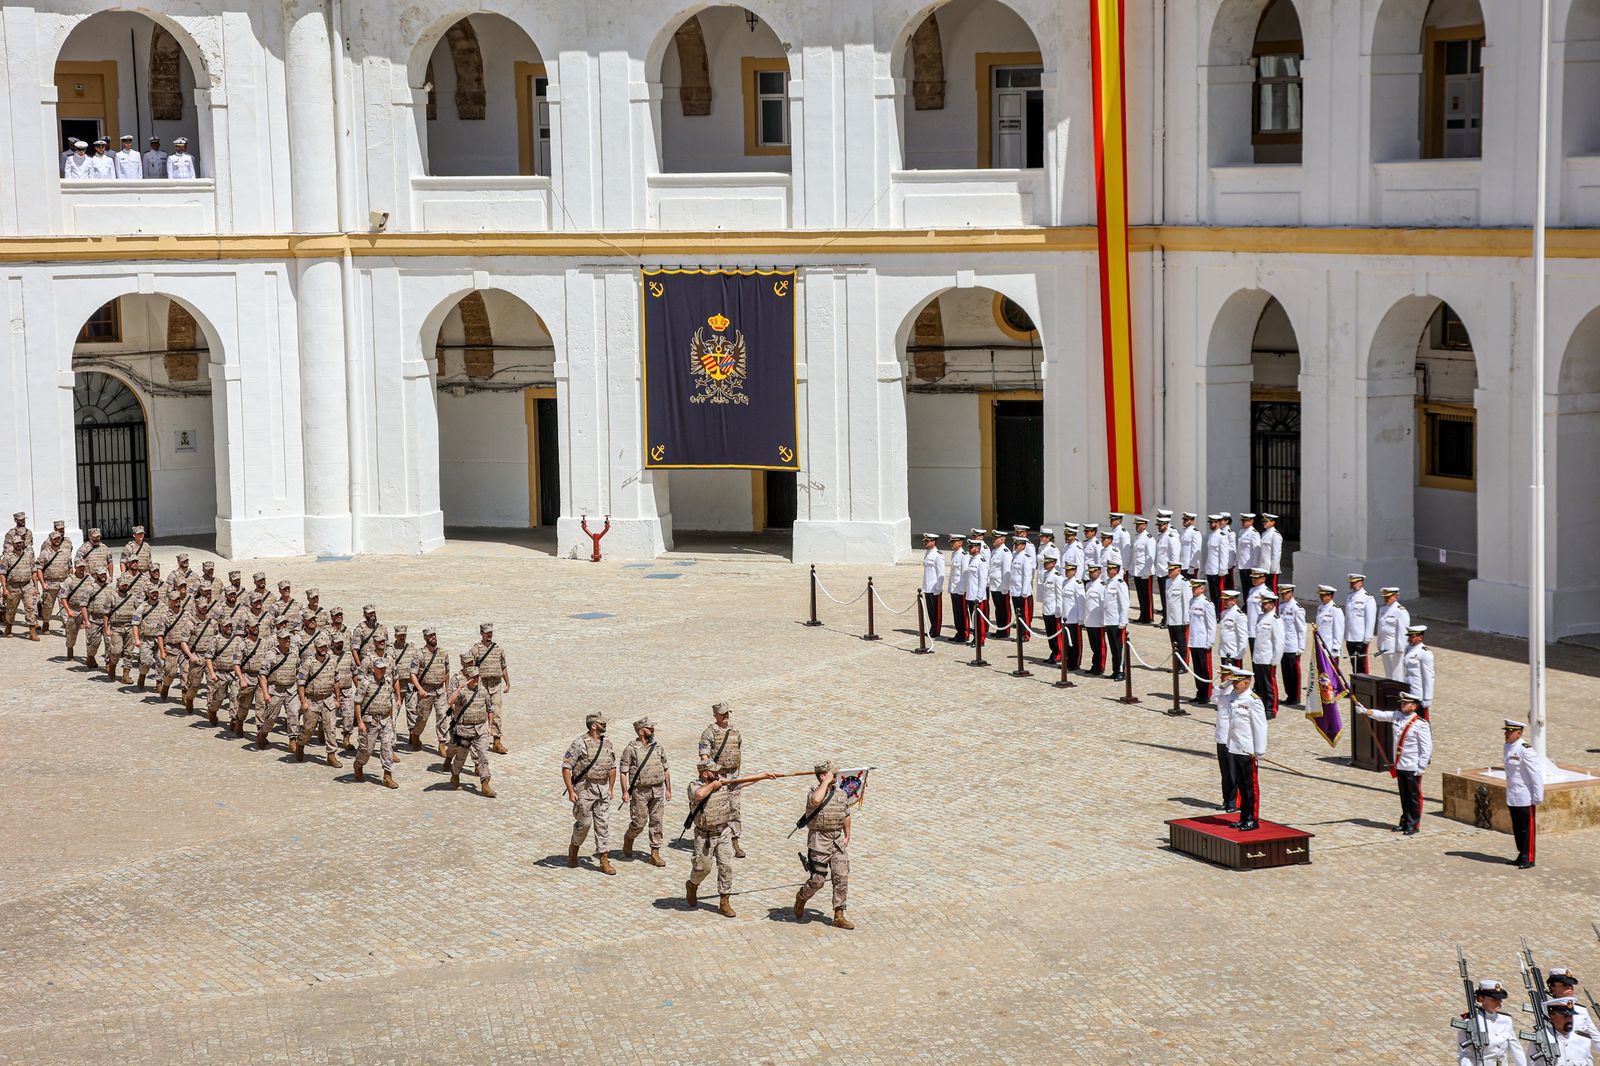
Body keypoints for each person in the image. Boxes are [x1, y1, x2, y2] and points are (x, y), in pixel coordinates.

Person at [684, 760, 779, 918]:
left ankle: (724, 901)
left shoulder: (723, 783)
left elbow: (743, 781)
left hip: (724, 832)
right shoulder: (694, 786)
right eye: (714, 772)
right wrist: (712, 786)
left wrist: (763, 775)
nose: (718, 774)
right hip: (705, 835)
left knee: (726, 866)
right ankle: (692, 885)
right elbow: (699, 795)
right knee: (702, 868)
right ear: (705, 774)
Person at [1357, 692, 1433, 835]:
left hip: (1412, 765)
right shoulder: (1397, 716)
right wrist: (1366, 711)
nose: (1402, 705)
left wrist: (1421, 767)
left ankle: (1413, 824)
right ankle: (1404, 822)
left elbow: (1426, 748)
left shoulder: (1421, 724)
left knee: (1413, 797)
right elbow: (1382, 715)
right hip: (1399, 764)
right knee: (1404, 796)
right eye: (1402, 703)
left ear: (1414, 706)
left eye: (1405, 703)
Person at [793, 760, 854, 929]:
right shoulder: (814, 793)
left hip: (837, 842)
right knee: (817, 881)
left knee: (841, 877)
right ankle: (801, 897)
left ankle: (839, 915)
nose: (835, 775)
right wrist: (825, 782)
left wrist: (847, 835)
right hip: (819, 842)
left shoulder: (841, 793)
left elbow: (846, 814)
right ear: (822, 776)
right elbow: (816, 801)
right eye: (831, 773)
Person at [563, 711, 617, 874]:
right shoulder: (579, 743)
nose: (605, 725)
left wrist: (610, 788)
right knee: (584, 824)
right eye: (602, 723)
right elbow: (566, 767)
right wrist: (571, 791)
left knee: (603, 824)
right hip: (584, 789)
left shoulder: (607, 743)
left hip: (602, 789)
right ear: (593, 726)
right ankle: (574, 847)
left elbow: (612, 766)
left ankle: (604, 858)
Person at [698, 700, 747, 858]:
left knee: (734, 808)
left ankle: (735, 841)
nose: (726, 716)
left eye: (727, 713)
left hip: (733, 776)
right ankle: (715, 840)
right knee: (717, 809)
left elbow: (738, 753)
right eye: (722, 714)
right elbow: (704, 756)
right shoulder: (709, 733)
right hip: (718, 777)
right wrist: (713, 776)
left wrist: (738, 774)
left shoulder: (735, 732)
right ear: (715, 715)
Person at [1221, 667, 1268, 831]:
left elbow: (1260, 727)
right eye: (1233, 682)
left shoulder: (1253, 701)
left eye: (1237, 682)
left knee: (1250, 787)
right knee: (1241, 785)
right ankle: (1243, 817)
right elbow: (1218, 697)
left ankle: (1252, 819)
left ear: (1246, 683)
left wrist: (1259, 751)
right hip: (1235, 747)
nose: (1234, 684)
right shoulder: (1233, 696)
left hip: (1248, 750)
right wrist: (1226, 683)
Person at [620, 716, 670, 866]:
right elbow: (623, 771)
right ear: (641, 731)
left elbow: (666, 768)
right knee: (639, 823)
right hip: (640, 792)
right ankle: (629, 838)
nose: (653, 730)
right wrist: (625, 791)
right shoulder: (631, 749)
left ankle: (655, 852)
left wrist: (668, 789)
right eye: (650, 728)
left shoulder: (658, 747)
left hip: (657, 790)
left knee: (657, 821)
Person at [291, 634, 343, 767]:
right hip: (312, 700)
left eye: (325, 646)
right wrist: (303, 702)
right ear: (315, 648)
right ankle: (300, 744)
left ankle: (331, 755)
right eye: (321, 647)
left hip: (328, 700)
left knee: (331, 728)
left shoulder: (332, 661)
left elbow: (336, 682)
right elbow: (301, 683)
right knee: (309, 729)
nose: (323, 649)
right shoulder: (308, 663)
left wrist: (337, 699)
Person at [444, 664, 495, 797]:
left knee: (483, 756)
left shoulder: (483, 691)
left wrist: (490, 727)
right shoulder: (462, 692)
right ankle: (455, 774)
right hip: (465, 730)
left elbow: (490, 709)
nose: (476, 679)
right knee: (461, 756)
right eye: (473, 677)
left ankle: (485, 784)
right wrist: (459, 688)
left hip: (480, 729)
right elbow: (450, 701)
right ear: (468, 678)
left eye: (477, 677)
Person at [352, 657, 401, 788]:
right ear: (373, 669)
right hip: (370, 721)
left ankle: (387, 776)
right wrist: (360, 722)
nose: (382, 670)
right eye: (380, 668)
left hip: (385, 720)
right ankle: (358, 765)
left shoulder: (388, 681)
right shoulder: (365, 682)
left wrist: (392, 720)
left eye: (384, 668)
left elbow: (390, 700)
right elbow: (357, 703)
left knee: (387, 747)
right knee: (367, 750)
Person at [1454, 979, 1527, 1066]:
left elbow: (1516, 1050)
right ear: (1482, 999)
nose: (1499, 1002)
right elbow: (1464, 1054)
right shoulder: (1470, 1021)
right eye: (1495, 999)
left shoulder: (1506, 1020)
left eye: (1500, 998)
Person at [1502, 719, 1544, 868]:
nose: (1506, 734)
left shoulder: (1525, 750)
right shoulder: (1507, 747)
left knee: (1527, 829)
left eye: (1510, 732)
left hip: (1525, 796)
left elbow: (1535, 774)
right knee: (1517, 828)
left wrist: (1538, 796)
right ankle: (1521, 854)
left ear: (1519, 733)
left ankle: (1528, 857)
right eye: (1506, 731)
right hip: (1513, 795)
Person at [254, 624, 301, 751]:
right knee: (271, 718)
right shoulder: (271, 655)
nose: (287, 640)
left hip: (291, 689)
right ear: (278, 640)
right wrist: (265, 693)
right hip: (275, 690)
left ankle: (293, 740)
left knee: (293, 714)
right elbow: (262, 675)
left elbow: (297, 670)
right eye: (284, 638)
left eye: (288, 638)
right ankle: (263, 734)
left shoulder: (294, 653)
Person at [407, 626, 450, 752]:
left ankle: (442, 743)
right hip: (426, 691)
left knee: (442, 715)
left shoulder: (443, 653)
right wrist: (420, 689)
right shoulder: (419, 654)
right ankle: (415, 735)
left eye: (434, 634)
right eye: (430, 635)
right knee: (422, 718)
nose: (433, 637)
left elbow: (447, 671)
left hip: (440, 691)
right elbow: (413, 674)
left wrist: (447, 689)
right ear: (425, 637)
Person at [470, 623, 510, 754]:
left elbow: (503, 666)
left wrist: (507, 683)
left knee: (496, 712)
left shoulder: (498, 649)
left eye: (491, 632)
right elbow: (470, 668)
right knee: (479, 713)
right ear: (481, 633)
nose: (489, 635)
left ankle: (497, 741)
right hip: (482, 686)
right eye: (487, 633)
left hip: (496, 685)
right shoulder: (476, 650)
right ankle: (475, 739)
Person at [230, 615, 271, 737]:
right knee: (244, 706)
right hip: (247, 678)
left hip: (261, 679)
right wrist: (241, 679)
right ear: (248, 628)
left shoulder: (265, 643)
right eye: (253, 627)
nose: (256, 628)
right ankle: (239, 721)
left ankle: (260, 733)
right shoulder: (242, 645)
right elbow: (236, 664)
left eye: (257, 626)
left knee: (261, 705)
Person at [32, 521, 72, 634]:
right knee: (48, 606)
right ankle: (46, 622)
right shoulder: (45, 553)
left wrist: (71, 578)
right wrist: (42, 583)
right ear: (51, 540)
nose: (57, 540)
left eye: (59, 538)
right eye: (55, 539)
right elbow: (39, 568)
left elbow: (70, 566)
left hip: (63, 583)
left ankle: (67, 626)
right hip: (50, 584)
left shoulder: (66, 552)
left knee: (64, 605)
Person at [1545, 971, 1600, 1054]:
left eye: (1570, 984)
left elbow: (1596, 1038)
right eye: (1564, 984)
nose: (1570, 987)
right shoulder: (1545, 1010)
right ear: (1552, 988)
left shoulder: (1581, 1011)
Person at [206, 620, 246, 728]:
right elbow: (208, 658)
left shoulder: (238, 640)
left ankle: (234, 719)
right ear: (221, 627)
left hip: (234, 673)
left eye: (230, 625)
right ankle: (212, 710)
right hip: (220, 673)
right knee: (219, 697)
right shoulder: (216, 640)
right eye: (226, 626)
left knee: (235, 696)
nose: (229, 627)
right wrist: (212, 673)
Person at [1251, 589, 1284, 718]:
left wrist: (1275, 659)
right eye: (1262, 603)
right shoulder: (1260, 617)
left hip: (1268, 657)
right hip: (1259, 656)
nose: (1262, 605)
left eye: (1265, 603)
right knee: (1261, 684)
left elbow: (1279, 642)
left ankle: (1271, 708)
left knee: (1270, 685)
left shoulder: (1275, 620)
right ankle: (1263, 706)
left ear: (1272, 604)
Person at [1528, 998, 1591, 1065]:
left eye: (1571, 1016)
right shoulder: (1542, 1038)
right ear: (1552, 1016)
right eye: (1565, 1016)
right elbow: (1530, 1063)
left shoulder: (1583, 1039)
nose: (1569, 1020)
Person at [1187, 578, 1216, 704]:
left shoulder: (1207, 603)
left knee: (1205, 669)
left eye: (1195, 588)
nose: (1193, 590)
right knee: (1197, 669)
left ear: (1202, 589)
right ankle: (1200, 692)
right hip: (1194, 640)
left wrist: (1210, 641)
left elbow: (1211, 623)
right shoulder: (1192, 601)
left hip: (1203, 641)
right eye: (1193, 588)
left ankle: (1207, 694)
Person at [2, 539, 38, 639]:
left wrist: (35, 587)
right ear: (13, 544)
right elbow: (3, 574)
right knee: (11, 609)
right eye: (17, 543)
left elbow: (34, 571)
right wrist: (4, 588)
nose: (19, 544)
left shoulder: (28, 555)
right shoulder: (7, 557)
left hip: (27, 586)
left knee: (30, 607)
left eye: (20, 543)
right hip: (13, 587)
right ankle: (8, 628)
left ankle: (32, 632)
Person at [59, 561, 96, 660]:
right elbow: (63, 597)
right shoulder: (69, 581)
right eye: (80, 567)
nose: (82, 569)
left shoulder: (90, 579)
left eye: (83, 567)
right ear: (75, 567)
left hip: (87, 611)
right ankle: (70, 650)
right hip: (74, 610)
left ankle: (90, 656)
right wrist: (68, 611)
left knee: (91, 634)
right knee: (71, 633)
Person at [1277, 585, 1307, 707]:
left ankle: (1295, 697)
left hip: (1293, 645)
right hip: (1283, 645)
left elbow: (1302, 629)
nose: (1283, 596)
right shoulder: (1281, 607)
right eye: (1282, 593)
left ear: (1291, 593)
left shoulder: (1297, 608)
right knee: (1285, 673)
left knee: (1294, 673)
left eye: (1285, 593)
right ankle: (1289, 695)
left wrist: (1301, 647)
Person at [1344, 573, 1377, 674]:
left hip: (1360, 637)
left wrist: (1367, 637)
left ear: (1361, 583)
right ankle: (1356, 683)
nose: (1352, 585)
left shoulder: (1368, 598)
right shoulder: (1350, 596)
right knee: (1354, 664)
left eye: (1354, 582)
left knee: (1362, 665)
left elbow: (1370, 619)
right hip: (1350, 637)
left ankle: (1364, 683)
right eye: (1351, 583)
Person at [1375, 586, 1411, 679]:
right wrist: (1379, 643)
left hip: (1395, 647)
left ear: (1396, 596)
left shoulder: (1400, 611)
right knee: (1388, 674)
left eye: (1388, 597)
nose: (1386, 599)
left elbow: (1403, 631)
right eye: (1385, 597)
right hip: (1385, 646)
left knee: (1397, 674)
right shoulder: (1383, 609)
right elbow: (1380, 628)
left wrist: (1400, 648)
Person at [1103, 559, 1130, 680]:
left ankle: (1121, 671)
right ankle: (1115, 670)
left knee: (1119, 647)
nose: (1108, 571)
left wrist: (1123, 621)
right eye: (1108, 569)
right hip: (1109, 620)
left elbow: (1124, 604)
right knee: (1113, 648)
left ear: (1116, 570)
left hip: (1117, 620)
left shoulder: (1120, 583)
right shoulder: (1108, 582)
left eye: (1110, 569)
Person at [1402, 625, 1436, 719]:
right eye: (1409, 636)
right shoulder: (1408, 649)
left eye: (1412, 637)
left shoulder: (1425, 652)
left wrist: (1427, 698)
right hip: (1408, 690)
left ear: (1420, 637)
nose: (1409, 639)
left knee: (1421, 721)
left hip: (1418, 693)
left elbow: (1429, 676)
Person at [1007, 532, 1035, 641]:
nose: (1015, 546)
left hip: (1023, 592)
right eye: (1015, 544)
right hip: (1015, 590)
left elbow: (1027, 576)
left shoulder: (1026, 557)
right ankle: (1019, 634)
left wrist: (1024, 591)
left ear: (1023, 546)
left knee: (1024, 614)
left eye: (1018, 544)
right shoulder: (1014, 556)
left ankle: (1025, 634)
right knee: (1018, 614)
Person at [1129, 516, 1157, 624]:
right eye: (1136, 524)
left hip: (1146, 571)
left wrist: (1147, 572)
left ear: (1144, 525)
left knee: (1147, 595)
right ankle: (1142, 615)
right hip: (1137, 571)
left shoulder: (1149, 538)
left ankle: (1149, 616)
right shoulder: (1137, 537)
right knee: (1140, 595)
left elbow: (1150, 556)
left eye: (1139, 524)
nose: (1137, 526)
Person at [1038, 554, 1064, 665]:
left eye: (1047, 562)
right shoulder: (1045, 574)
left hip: (1054, 610)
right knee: (1050, 634)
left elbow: (1059, 594)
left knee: (1056, 634)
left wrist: (1059, 610)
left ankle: (1059, 654)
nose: (1045, 564)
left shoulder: (1057, 576)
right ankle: (1053, 652)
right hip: (1047, 609)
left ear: (1053, 564)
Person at [963, 538, 989, 648]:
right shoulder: (971, 560)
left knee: (979, 620)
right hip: (970, 594)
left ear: (977, 548)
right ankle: (975, 638)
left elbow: (983, 580)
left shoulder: (981, 561)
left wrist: (979, 596)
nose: (969, 549)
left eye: (971, 547)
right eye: (969, 547)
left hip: (978, 597)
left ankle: (981, 639)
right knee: (973, 619)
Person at [1154, 513, 1181, 619]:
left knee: (1169, 597)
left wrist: (1173, 571)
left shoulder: (1171, 537)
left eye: (1161, 525)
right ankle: (1165, 617)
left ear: (1166, 525)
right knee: (1163, 596)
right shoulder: (1160, 536)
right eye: (1158, 525)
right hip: (1160, 570)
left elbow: (1175, 555)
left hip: (1167, 571)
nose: (1159, 527)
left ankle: (1168, 618)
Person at [1059, 561, 1085, 670]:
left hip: (1074, 617)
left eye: (1069, 570)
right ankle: (1067, 661)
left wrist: (1081, 618)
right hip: (1066, 617)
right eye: (1066, 570)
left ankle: (1075, 663)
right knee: (1066, 642)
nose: (1067, 572)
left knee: (1075, 642)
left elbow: (1081, 602)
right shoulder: (1064, 582)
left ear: (1074, 571)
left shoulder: (1077, 583)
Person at [1082, 562, 1107, 674]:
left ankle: (1100, 666)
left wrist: (1103, 619)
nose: (1091, 574)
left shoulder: (1102, 586)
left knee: (1099, 645)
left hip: (1098, 620)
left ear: (1099, 572)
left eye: (1093, 572)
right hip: (1089, 620)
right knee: (1093, 645)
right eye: (1090, 572)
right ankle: (1094, 665)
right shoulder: (1088, 585)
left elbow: (1103, 604)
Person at [1163, 561, 1191, 660]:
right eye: (1169, 570)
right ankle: (1176, 665)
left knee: (1182, 645)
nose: (1169, 572)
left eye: (1172, 570)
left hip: (1180, 620)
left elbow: (1187, 601)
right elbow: (1168, 602)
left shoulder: (1184, 582)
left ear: (1178, 570)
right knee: (1174, 644)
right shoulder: (1168, 582)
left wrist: (1186, 619)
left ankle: (1183, 665)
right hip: (1171, 619)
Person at [920, 532, 945, 639]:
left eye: (927, 541)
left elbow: (941, 573)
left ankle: (936, 630)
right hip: (927, 587)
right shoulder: (927, 553)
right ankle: (932, 628)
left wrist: (938, 588)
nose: (925, 543)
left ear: (933, 542)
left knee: (936, 612)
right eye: (925, 541)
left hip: (935, 587)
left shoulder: (938, 555)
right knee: (930, 610)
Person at [987, 530, 1012, 638]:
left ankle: (1005, 630)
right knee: (998, 608)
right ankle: (1000, 629)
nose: (993, 540)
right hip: (994, 585)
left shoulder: (1005, 553)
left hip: (1002, 586)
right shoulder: (994, 551)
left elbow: (1007, 571)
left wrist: (1005, 587)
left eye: (995, 538)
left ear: (1002, 540)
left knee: (1004, 609)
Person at [1314, 585, 1345, 668]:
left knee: (1331, 673)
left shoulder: (1335, 610)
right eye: (1320, 595)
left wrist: (1336, 648)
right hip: (1320, 646)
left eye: (1323, 595)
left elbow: (1339, 630)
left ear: (1330, 596)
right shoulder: (1320, 608)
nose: (1321, 597)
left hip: (1330, 648)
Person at [945, 533, 968, 643]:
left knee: (962, 613)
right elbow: (953, 573)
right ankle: (959, 632)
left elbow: (964, 574)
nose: (952, 544)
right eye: (951, 542)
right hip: (954, 588)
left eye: (953, 542)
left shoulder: (964, 555)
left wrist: (962, 589)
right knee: (956, 612)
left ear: (960, 543)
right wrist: (950, 587)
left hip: (960, 589)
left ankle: (965, 633)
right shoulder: (954, 554)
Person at [1217, 589, 1248, 670]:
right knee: (1225, 675)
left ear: (1234, 601)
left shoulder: (1239, 615)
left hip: (1234, 652)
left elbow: (1243, 635)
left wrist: (1240, 654)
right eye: (1224, 600)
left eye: (1227, 600)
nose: (1224, 602)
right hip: (1224, 650)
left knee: (1234, 676)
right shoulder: (1224, 613)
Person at [1203, 514, 1229, 611]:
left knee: (1219, 594)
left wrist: (1222, 569)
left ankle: (1220, 612)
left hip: (1218, 570)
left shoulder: (1222, 536)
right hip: (1210, 569)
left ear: (1217, 523)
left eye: (1212, 523)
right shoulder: (1211, 535)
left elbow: (1224, 554)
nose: (1210, 524)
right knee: (1212, 593)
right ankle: (1214, 611)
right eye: (1210, 522)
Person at [1259, 513, 1284, 591]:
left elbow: (1276, 553)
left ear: (1273, 522)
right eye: (1263, 521)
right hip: (1263, 567)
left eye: (1266, 521)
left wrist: (1274, 568)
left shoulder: (1275, 535)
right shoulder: (1264, 533)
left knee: (1272, 590)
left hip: (1271, 568)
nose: (1264, 523)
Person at [1235, 513, 1261, 589]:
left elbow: (1257, 550)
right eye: (1242, 521)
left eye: (1246, 521)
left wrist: (1255, 564)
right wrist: (1237, 560)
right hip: (1242, 564)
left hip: (1250, 564)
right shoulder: (1241, 531)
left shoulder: (1254, 533)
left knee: (1250, 587)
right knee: (1244, 587)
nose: (1243, 522)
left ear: (1251, 521)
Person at [1179, 512, 1202, 581]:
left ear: (1192, 521)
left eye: (1187, 520)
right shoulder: (1183, 532)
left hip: (1190, 566)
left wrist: (1192, 566)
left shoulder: (1195, 532)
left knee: (1190, 586)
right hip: (1182, 565)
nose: (1184, 521)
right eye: (1184, 519)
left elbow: (1196, 550)